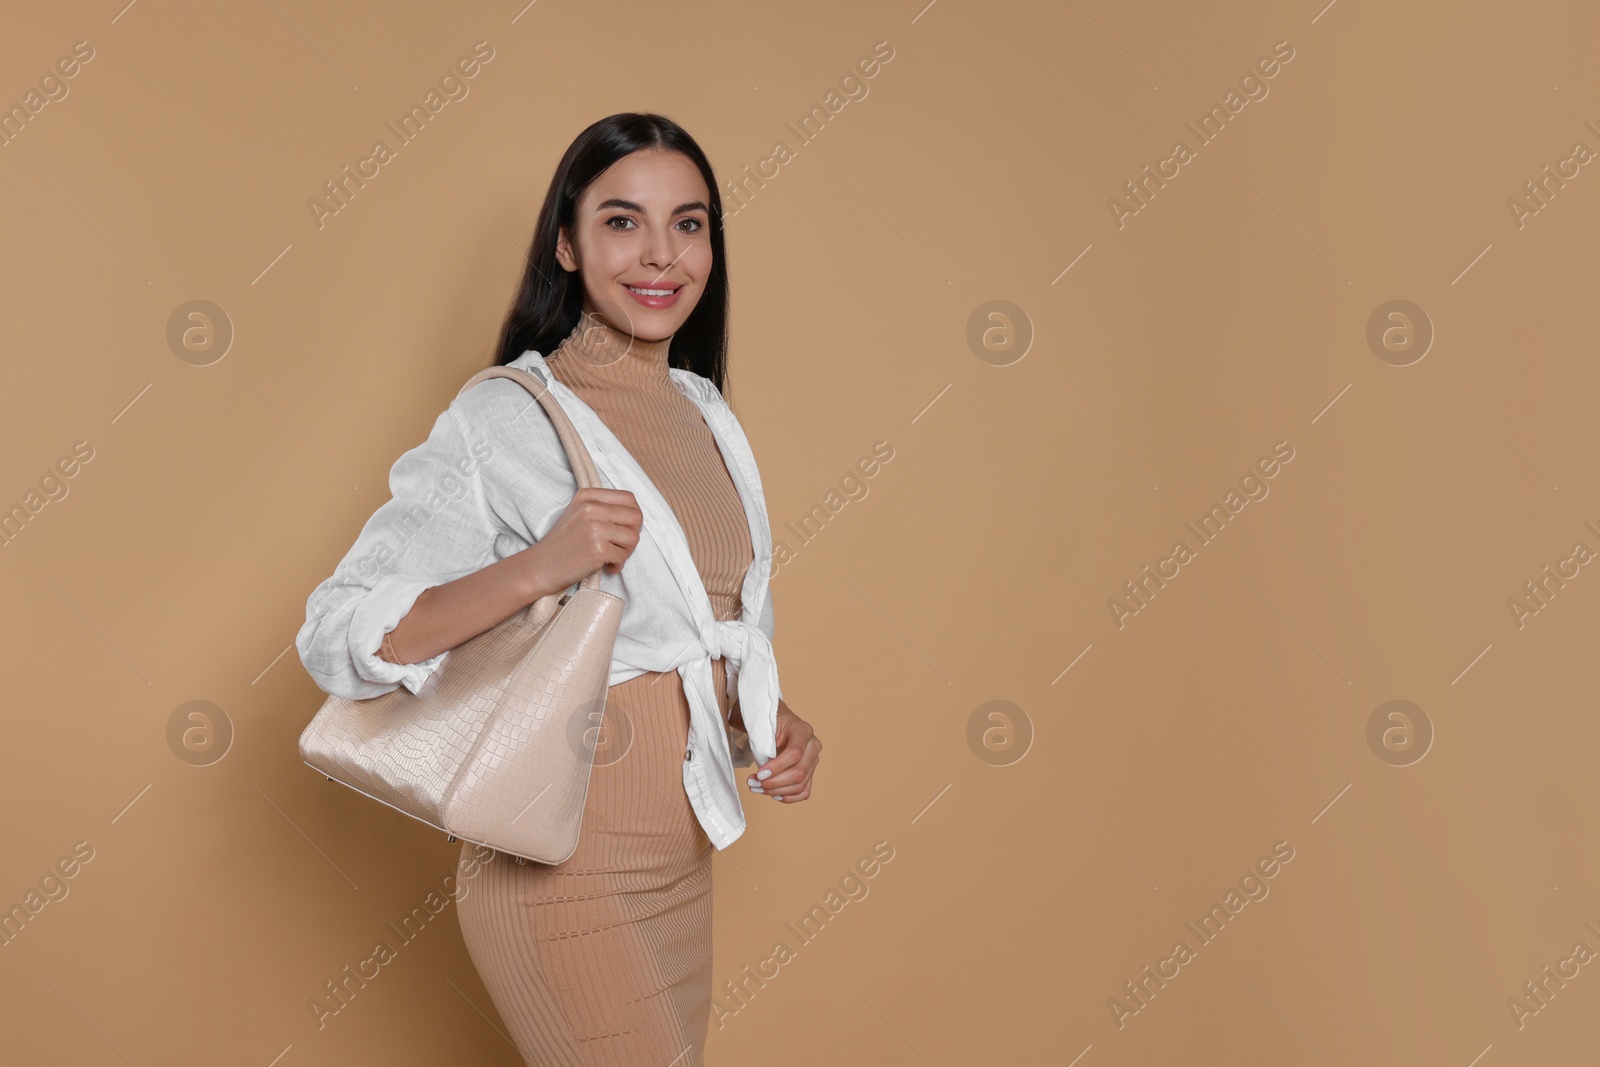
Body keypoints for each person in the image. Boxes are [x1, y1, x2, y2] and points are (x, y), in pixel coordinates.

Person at [294, 112, 821, 1066]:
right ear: (567, 246)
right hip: (559, 869)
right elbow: (337, 632)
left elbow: (680, 636)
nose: (661, 253)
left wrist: (766, 720)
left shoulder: (703, 412)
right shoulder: (507, 414)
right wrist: (542, 564)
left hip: (682, 862)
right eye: (622, 222)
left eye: (689, 223)